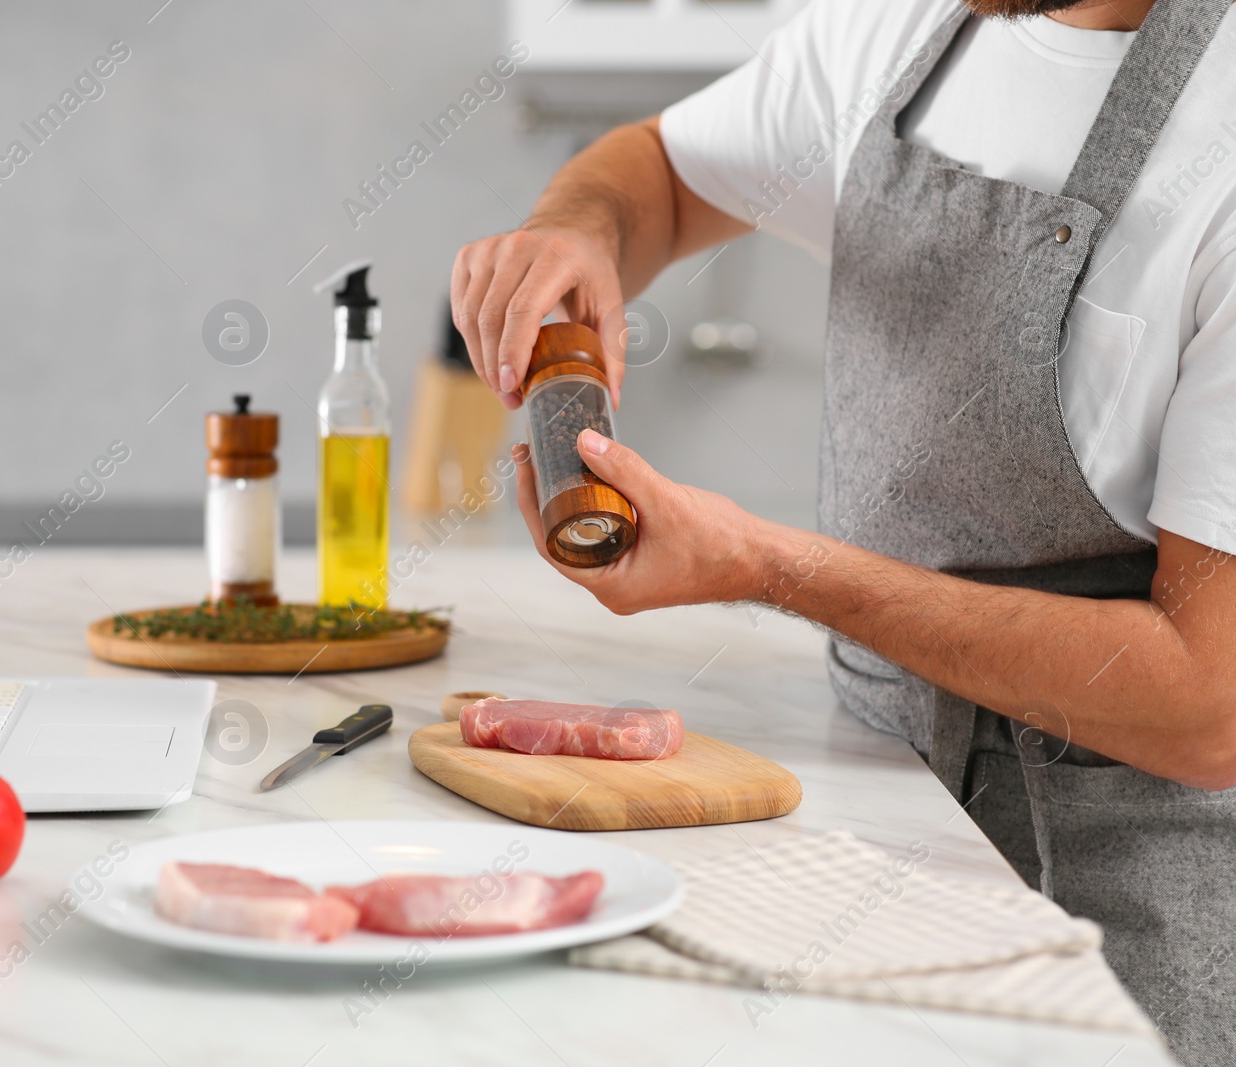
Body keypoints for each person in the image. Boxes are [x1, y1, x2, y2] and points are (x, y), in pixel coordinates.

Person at [451, 0, 1236, 1061]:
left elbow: (1207, 703)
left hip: (1115, 910)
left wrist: (769, 567)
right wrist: (579, 227)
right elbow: (663, 171)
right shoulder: (904, 26)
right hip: (870, 822)